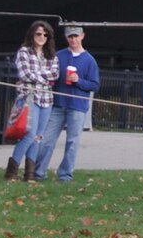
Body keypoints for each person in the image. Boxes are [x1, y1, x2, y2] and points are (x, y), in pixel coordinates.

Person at [34, 24, 101, 181]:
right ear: (66, 38)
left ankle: (65, 175)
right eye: (70, 36)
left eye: (76, 36)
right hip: (57, 105)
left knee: (72, 142)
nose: (73, 39)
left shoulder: (89, 60)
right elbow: (48, 75)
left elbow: (95, 85)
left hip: (77, 107)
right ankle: (38, 173)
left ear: (82, 36)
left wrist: (79, 81)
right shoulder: (58, 56)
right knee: (47, 140)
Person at [6, 20, 58, 181]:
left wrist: (38, 78)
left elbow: (55, 75)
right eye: (39, 34)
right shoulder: (24, 52)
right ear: (32, 34)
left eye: (45, 34)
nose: (42, 37)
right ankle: (11, 172)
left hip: (47, 100)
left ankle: (29, 175)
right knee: (29, 135)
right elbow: (25, 74)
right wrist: (43, 78)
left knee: (38, 137)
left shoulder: (51, 55)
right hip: (29, 98)